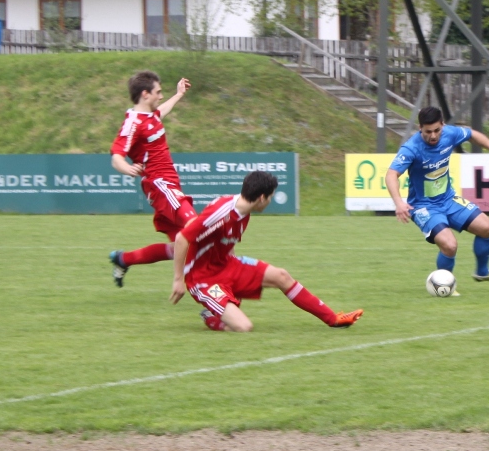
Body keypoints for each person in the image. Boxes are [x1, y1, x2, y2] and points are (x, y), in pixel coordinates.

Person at [170, 171, 363, 332]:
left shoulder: (243, 211)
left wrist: (237, 276)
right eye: (270, 197)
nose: (270, 201)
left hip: (226, 265)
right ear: (261, 198)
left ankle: (333, 319)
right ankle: (211, 317)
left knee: (281, 276)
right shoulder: (221, 213)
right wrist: (179, 279)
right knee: (243, 327)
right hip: (202, 278)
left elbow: (226, 241)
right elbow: (182, 238)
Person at [385, 106, 489, 292]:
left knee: (487, 228)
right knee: (450, 245)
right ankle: (444, 286)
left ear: (443, 125)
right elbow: (391, 175)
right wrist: (399, 203)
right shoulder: (411, 148)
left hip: (448, 199)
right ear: (420, 128)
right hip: (424, 206)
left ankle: (482, 272)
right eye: (428, 132)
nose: (433, 136)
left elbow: (472, 135)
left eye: (437, 130)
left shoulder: (450, 133)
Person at [107, 70, 195, 287]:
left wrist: (179, 94)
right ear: (145, 94)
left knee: (180, 248)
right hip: (159, 184)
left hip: (168, 185)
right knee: (196, 226)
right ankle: (223, 285)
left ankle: (123, 259)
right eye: (158, 92)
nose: (161, 96)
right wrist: (128, 169)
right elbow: (116, 157)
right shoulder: (133, 123)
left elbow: (161, 111)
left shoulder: (150, 116)